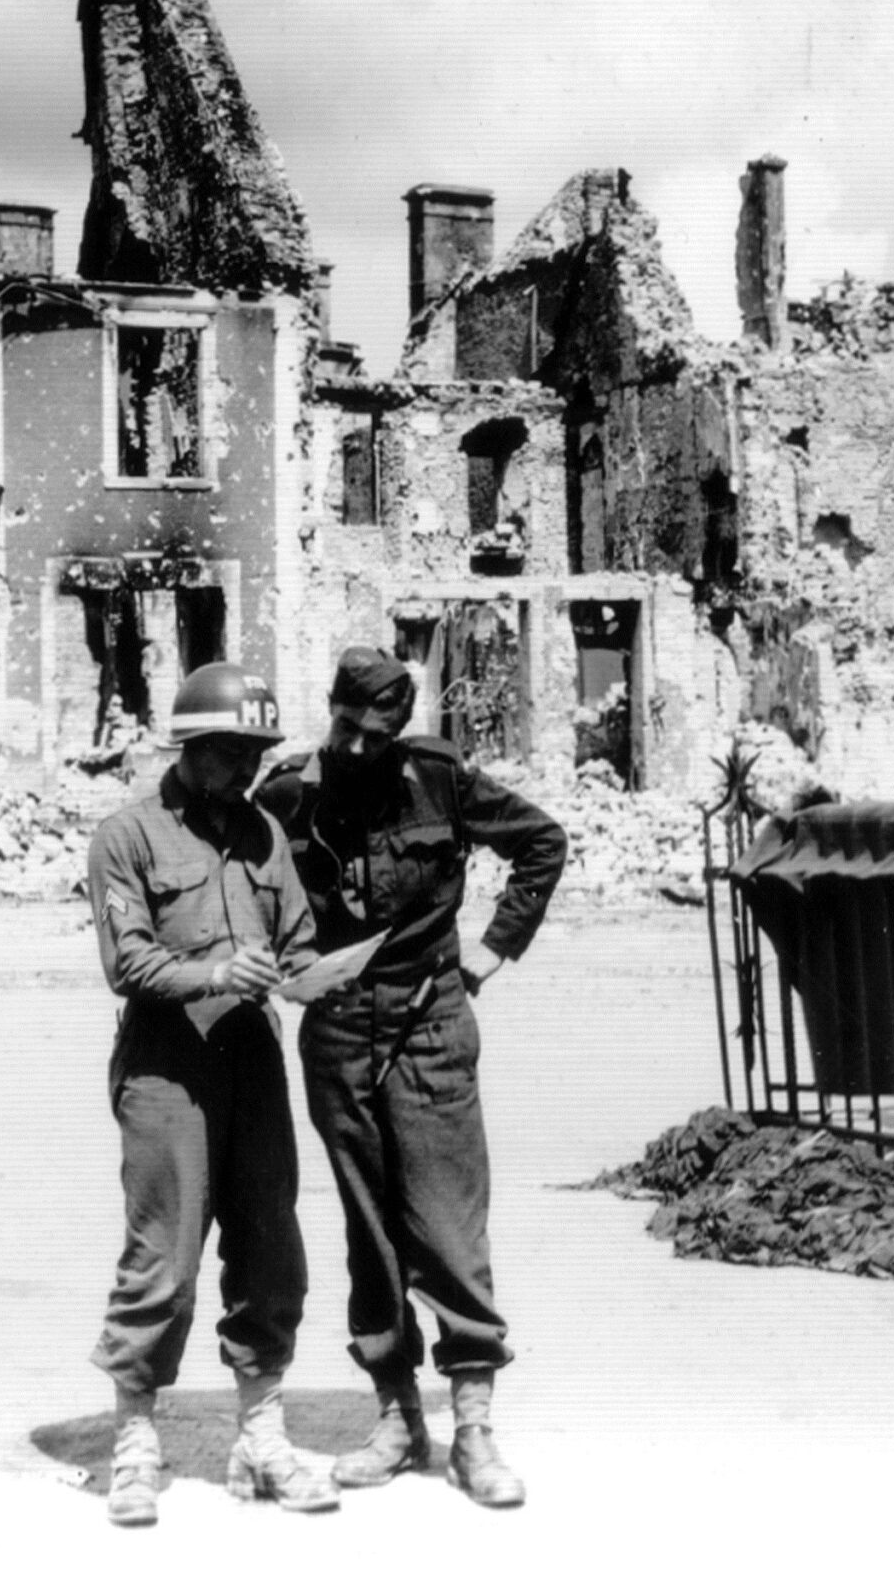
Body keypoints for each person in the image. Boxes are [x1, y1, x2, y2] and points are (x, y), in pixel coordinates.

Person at [254, 646, 568, 1509]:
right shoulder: (286, 793)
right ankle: (398, 1418)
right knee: (371, 1230)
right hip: (339, 1029)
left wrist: (492, 951)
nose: (358, 748)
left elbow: (542, 842)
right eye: (347, 727)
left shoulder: (439, 778)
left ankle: (472, 1430)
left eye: (378, 734)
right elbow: (244, 884)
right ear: (330, 709)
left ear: (402, 730)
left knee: (448, 1225)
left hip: (431, 1025)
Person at [87, 661, 338, 1528]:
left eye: (258, 751)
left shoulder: (266, 833)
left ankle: (261, 1433)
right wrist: (217, 970)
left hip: (251, 1064)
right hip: (166, 1069)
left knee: (272, 1248)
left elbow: (297, 938)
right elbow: (129, 963)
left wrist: (312, 974)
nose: (249, 768)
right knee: (164, 1256)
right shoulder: (128, 836)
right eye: (234, 751)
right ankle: (134, 1443)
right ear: (192, 748)